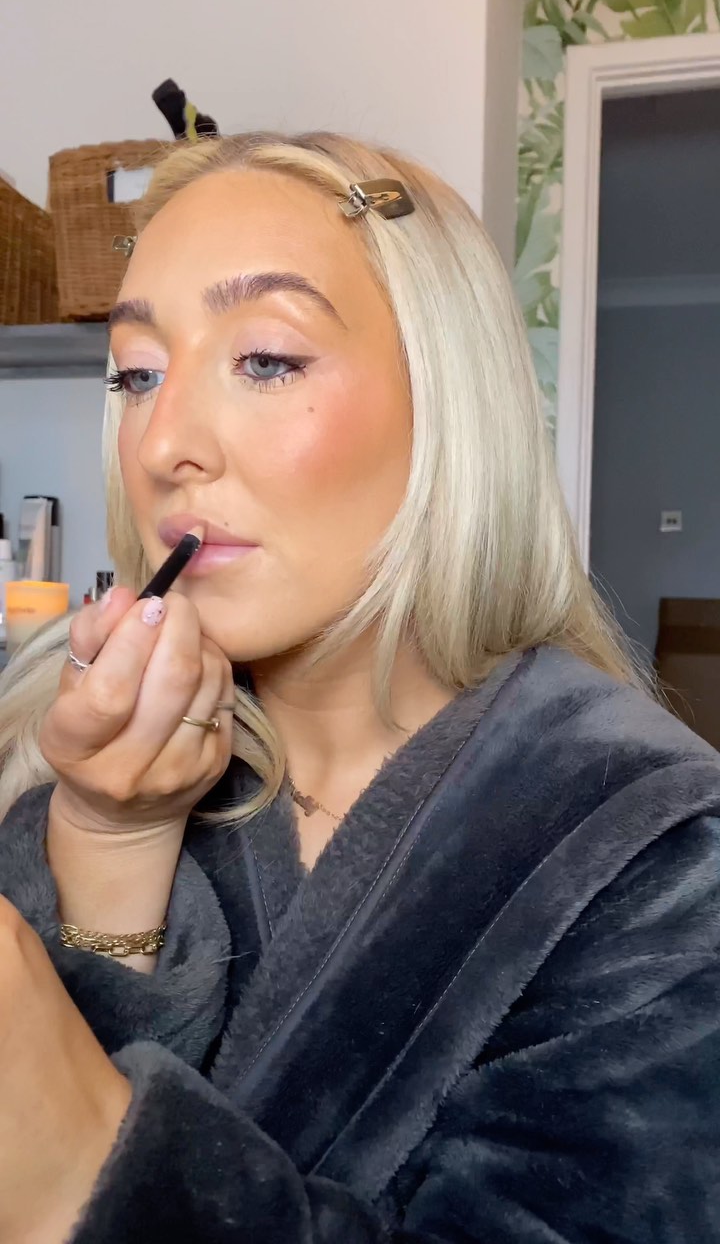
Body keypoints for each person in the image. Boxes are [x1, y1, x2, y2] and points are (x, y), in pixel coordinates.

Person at [0, 131, 718, 1244]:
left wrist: (89, 1179)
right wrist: (108, 834)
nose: (164, 442)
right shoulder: (80, 745)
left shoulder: (652, 846)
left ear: (448, 406)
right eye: (138, 374)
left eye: (266, 359)